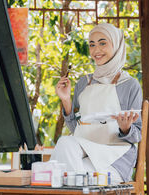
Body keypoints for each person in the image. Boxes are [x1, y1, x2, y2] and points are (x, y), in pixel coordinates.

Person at [50, 23, 142, 184]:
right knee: (65, 144)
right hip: (85, 152)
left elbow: (137, 134)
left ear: (117, 45)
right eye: (92, 44)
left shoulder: (129, 85)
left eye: (102, 43)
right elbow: (77, 130)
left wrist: (126, 127)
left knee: (65, 177)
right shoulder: (83, 83)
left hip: (115, 159)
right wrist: (65, 100)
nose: (96, 50)